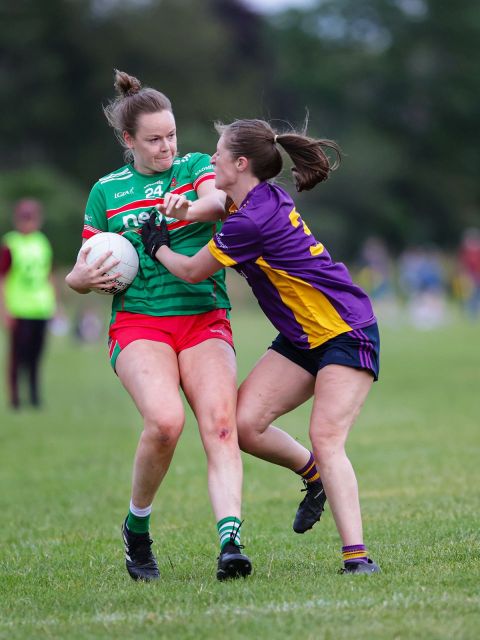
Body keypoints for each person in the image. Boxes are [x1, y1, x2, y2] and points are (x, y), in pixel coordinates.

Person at [142, 118, 381, 574]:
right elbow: (216, 207)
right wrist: (186, 211)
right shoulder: (255, 199)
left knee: (326, 438)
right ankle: (315, 479)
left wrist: (156, 246)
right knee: (246, 425)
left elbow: (193, 270)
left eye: (217, 153)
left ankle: (357, 558)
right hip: (301, 337)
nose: (210, 159)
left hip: (345, 330)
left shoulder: (250, 220)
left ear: (240, 163)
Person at [65, 70, 258, 582]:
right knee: (166, 424)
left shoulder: (195, 167)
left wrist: (185, 208)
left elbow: (220, 202)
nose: (166, 146)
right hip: (139, 324)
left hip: (202, 318)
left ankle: (230, 541)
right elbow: (83, 267)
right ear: (128, 141)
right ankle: (138, 528)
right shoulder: (106, 193)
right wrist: (77, 279)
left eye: (170, 134)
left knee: (221, 425)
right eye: (153, 139)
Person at [0, 198, 56, 410]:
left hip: (41, 308)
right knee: (17, 356)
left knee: (36, 355)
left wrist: (55, 304)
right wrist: (4, 310)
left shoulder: (42, 242)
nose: (28, 223)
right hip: (19, 309)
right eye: (24, 218)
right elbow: (3, 278)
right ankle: (15, 398)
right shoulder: (10, 243)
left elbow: (48, 273)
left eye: (31, 218)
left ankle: (34, 396)